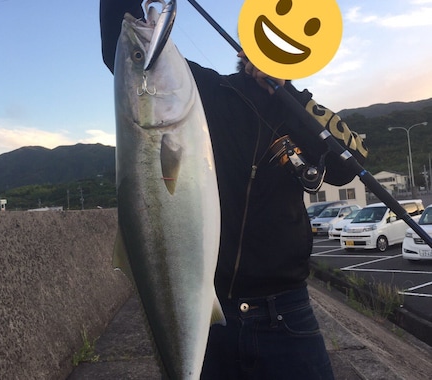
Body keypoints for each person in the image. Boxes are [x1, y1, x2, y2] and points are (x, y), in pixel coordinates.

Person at [100, 1, 368, 379]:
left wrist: (290, 100)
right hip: (210, 313)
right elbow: (125, 51)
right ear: (245, 43)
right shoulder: (208, 91)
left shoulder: (306, 112)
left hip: (287, 315)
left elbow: (349, 165)